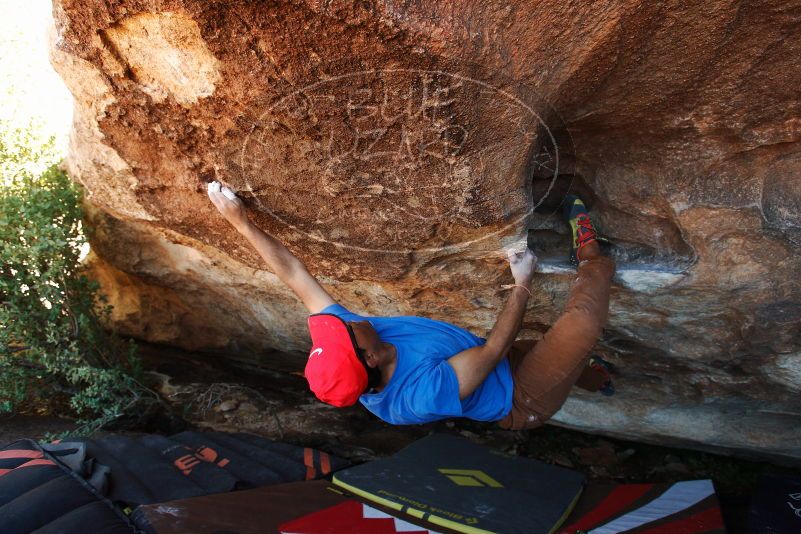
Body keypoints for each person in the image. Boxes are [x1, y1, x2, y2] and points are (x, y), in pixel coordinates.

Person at [207, 182, 615, 430]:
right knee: (579, 327)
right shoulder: (416, 399)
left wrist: (241, 223)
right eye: (345, 333)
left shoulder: (358, 342)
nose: (341, 321)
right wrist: (522, 281)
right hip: (520, 398)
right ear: (369, 357)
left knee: (561, 355)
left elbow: (293, 274)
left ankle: (599, 379)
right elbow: (492, 350)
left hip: (500, 362)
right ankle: (591, 254)